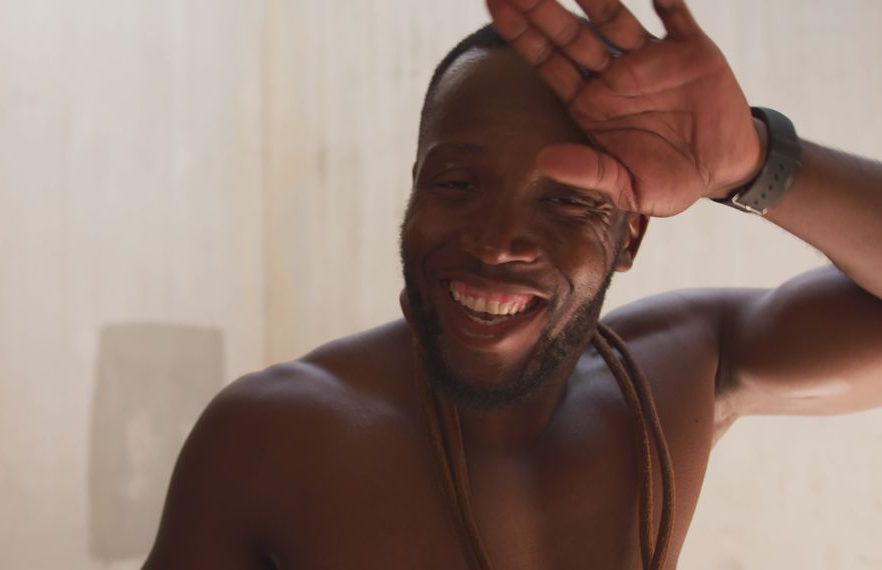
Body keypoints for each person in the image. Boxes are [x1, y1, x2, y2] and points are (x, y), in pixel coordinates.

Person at [143, 0, 882, 568]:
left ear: (630, 235)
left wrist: (752, 162)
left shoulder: (680, 371)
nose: (496, 242)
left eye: (566, 199)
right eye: (457, 183)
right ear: (415, 192)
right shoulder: (272, 437)